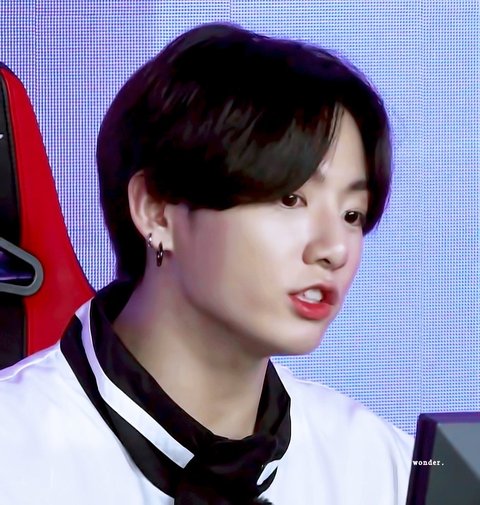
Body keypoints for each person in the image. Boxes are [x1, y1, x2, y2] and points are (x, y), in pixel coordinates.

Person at [0, 23, 413, 504]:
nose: (334, 249)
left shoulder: (388, 467)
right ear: (157, 211)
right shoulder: (15, 450)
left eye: (352, 215)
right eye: (290, 199)